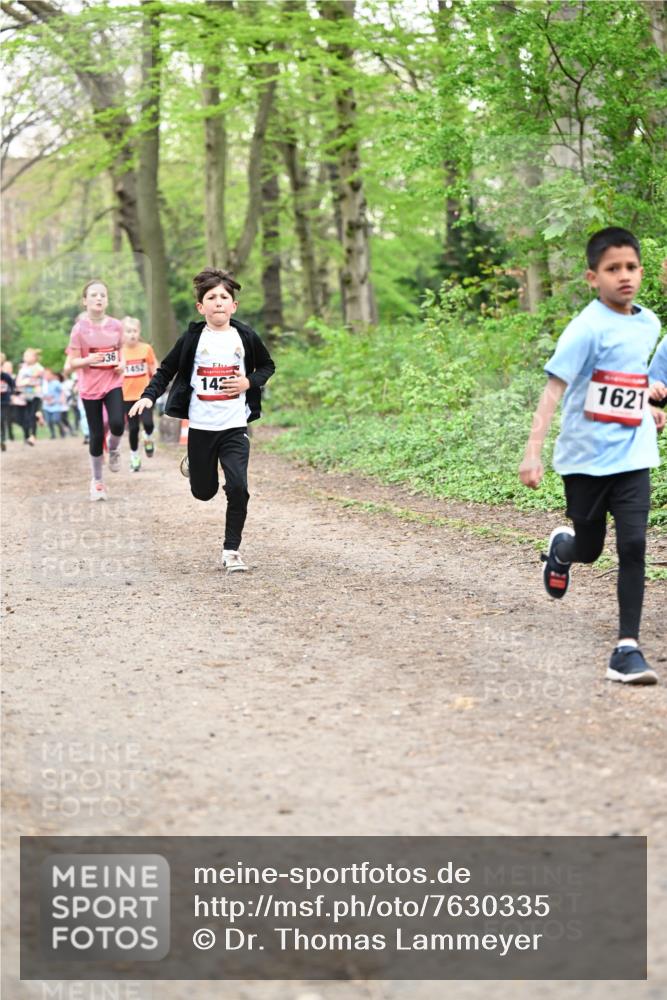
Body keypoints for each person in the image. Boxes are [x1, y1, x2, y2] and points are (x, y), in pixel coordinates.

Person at [519, 226, 664, 686]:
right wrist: (533, 452)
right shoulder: (585, 329)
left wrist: (646, 404)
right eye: (612, 268)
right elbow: (553, 391)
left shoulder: (649, 324)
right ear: (592, 277)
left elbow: (629, 378)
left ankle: (626, 649)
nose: (624, 276)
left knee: (634, 546)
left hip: (633, 454)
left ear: (641, 271)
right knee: (590, 548)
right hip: (584, 460)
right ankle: (563, 550)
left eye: (631, 267)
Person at [130, 267, 275, 572]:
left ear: (233, 305)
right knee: (203, 492)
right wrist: (148, 395)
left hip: (234, 425)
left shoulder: (245, 336)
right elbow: (166, 370)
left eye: (224, 297)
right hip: (201, 426)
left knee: (238, 487)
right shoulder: (193, 339)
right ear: (201, 306)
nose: (218, 301)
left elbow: (267, 366)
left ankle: (231, 551)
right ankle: (196, 464)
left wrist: (248, 382)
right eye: (211, 297)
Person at [67, 280, 125, 500]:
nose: (99, 298)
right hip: (89, 388)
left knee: (118, 423)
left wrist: (122, 364)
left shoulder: (116, 325)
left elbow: (122, 351)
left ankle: (114, 448)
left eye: (102, 295)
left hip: (112, 382)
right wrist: (88, 359)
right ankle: (97, 482)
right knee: (96, 434)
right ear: (85, 301)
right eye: (93, 295)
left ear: (107, 300)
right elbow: (72, 362)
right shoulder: (79, 329)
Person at [121, 316, 157, 471]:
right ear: (122, 333)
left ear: (139, 331)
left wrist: (156, 380)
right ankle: (134, 457)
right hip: (126, 396)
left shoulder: (146, 348)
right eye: (128, 331)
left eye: (134, 331)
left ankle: (148, 438)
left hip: (144, 395)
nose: (132, 334)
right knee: (133, 429)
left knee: (148, 423)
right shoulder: (120, 351)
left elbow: (154, 366)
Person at [16, 348, 44, 445]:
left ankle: (33, 436)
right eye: (24, 356)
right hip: (25, 396)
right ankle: (26, 435)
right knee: (26, 416)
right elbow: (18, 383)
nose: (25, 358)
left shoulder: (39, 368)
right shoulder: (23, 369)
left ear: (34, 357)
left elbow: (35, 377)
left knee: (32, 415)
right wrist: (26, 381)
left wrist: (26, 381)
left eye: (27, 356)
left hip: (36, 395)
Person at [41, 368, 67, 439]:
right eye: (44, 374)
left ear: (52, 375)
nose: (46, 376)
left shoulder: (56, 383)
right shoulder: (44, 384)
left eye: (47, 374)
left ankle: (62, 431)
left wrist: (62, 399)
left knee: (56, 420)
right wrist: (45, 398)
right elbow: (41, 394)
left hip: (56, 405)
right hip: (46, 406)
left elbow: (62, 391)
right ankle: (53, 434)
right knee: (49, 421)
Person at [0, 353, 15, 451]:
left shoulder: (6, 376)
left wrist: (12, 395)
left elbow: (13, 386)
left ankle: (2, 439)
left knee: (1, 420)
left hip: (4, 402)